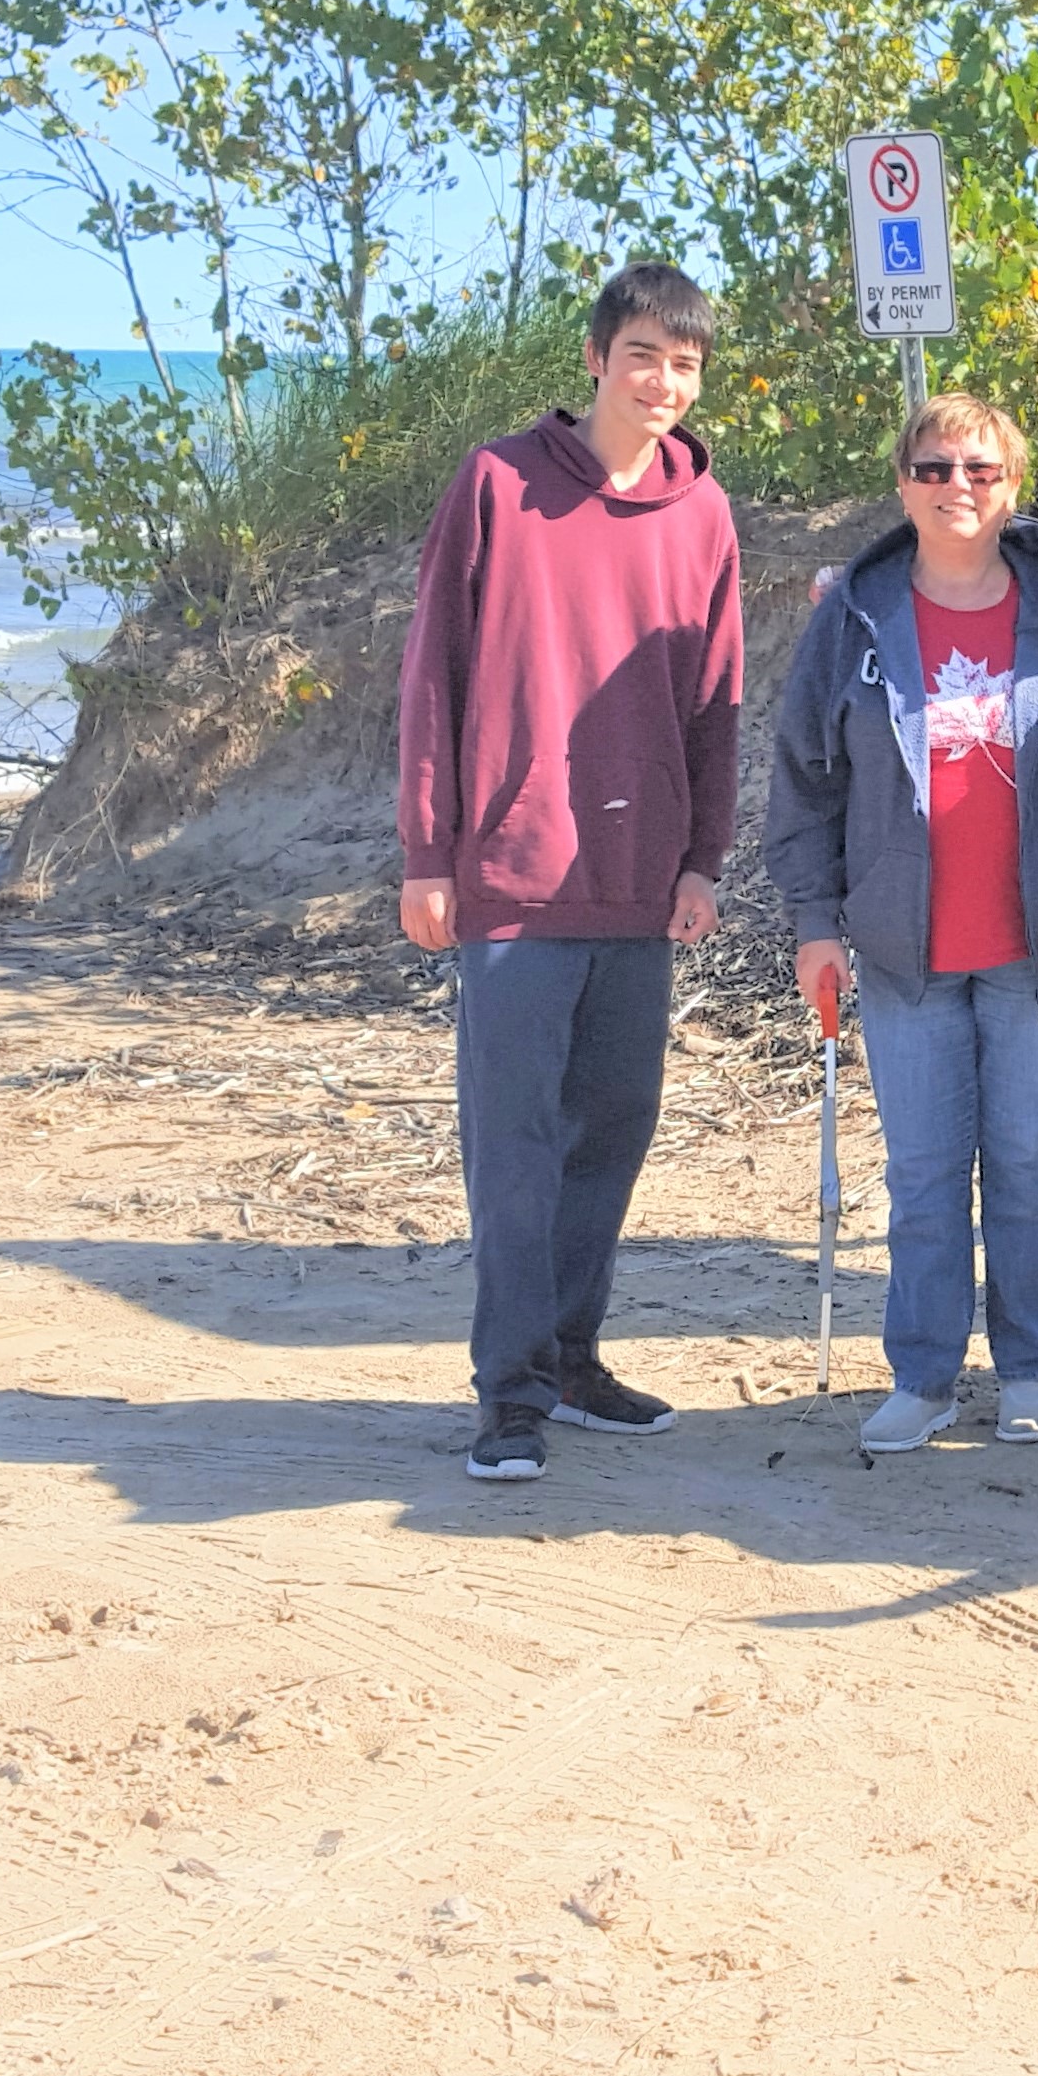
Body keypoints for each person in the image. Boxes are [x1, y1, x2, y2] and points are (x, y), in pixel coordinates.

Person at [396, 261, 745, 1483]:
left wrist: (703, 857)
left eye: (686, 363)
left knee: (615, 1133)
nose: (663, 380)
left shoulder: (703, 514)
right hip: (511, 876)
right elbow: (431, 676)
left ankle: (574, 1355)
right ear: (596, 357)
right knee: (515, 1147)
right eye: (644, 354)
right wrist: (428, 854)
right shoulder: (498, 484)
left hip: (640, 885)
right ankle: (509, 1396)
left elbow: (715, 703)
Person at [768, 393, 1038, 1454]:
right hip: (903, 951)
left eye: (979, 469)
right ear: (902, 482)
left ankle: (1025, 1370)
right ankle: (921, 1373)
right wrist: (814, 922)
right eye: (932, 467)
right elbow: (804, 779)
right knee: (920, 1176)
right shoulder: (853, 617)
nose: (956, 485)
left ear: (1012, 485)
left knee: (1027, 1167)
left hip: (1035, 950)